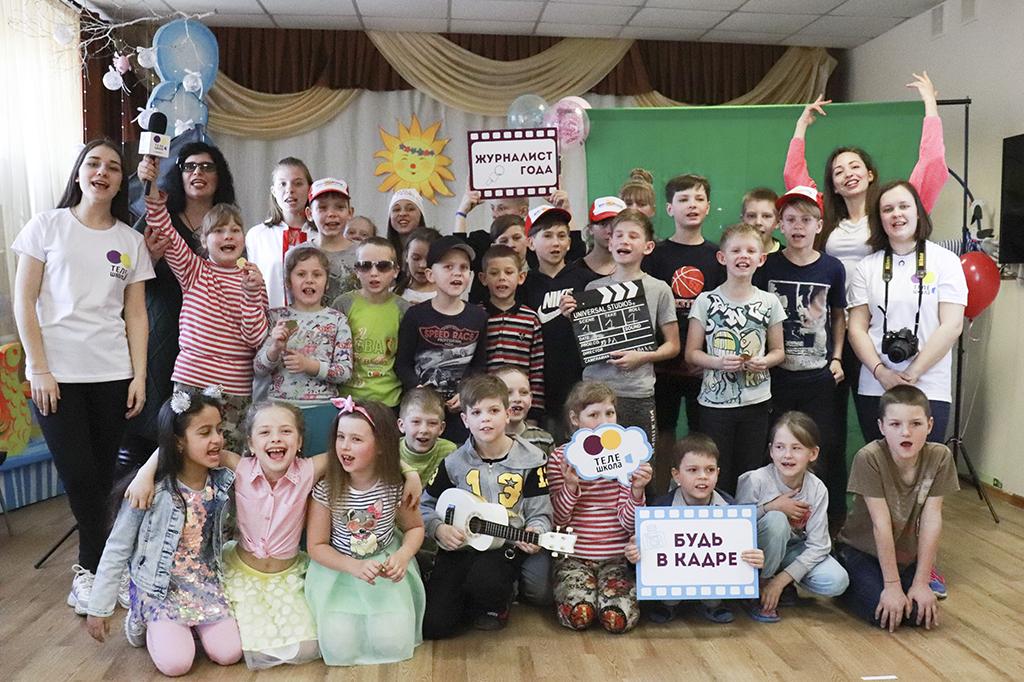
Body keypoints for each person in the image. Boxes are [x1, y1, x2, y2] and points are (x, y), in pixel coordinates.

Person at [13, 140, 154, 614]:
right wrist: (39, 368)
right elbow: (24, 301)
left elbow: (136, 315)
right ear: (78, 173)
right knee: (78, 477)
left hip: (113, 374)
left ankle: (98, 569)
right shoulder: (46, 226)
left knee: (101, 476)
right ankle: (95, 571)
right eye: (93, 163)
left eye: (113, 167)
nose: (102, 172)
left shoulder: (130, 241)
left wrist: (139, 375)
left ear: (120, 181)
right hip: (57, 377)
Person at [126, 399, 327, 669]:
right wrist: (145, 472)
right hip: (243, 572)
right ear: (251, 444)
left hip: (287, 575)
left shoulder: (308, 470)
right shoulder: (240, 467)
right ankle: (162, 625)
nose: (276, 438)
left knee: (305, 644)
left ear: (299, 441)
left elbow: (348, 451)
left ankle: (189, 630)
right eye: (265, 432)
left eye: (286, 431)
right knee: (241, 642)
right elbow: (184, 446)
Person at [84, 392, 242, 676]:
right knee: (176, 664)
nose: (217, 439)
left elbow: (257, 473)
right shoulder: (150, 490)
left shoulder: (221, 481)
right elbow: (117, 547)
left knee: (229, 653)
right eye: (204, 432)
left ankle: (186, 630)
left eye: (219, 430)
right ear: (178, 441)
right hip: (161, 590)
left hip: (204, 585)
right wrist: (99, 607)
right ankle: (143, 619)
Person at [138, 156, 269, 452]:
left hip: (236, 388)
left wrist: (251, 294)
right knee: (186, 454)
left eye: (234, 230)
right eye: (218, 231)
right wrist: (152, 189)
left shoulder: (253, 279)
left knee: (228, 458)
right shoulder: (194, 269)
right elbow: (164, 228)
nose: (228, 236)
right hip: (192, 380)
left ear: (243, 238)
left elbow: (256, 339)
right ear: (204, 239)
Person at [123, 140, 237, 468]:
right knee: (153, 420)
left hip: (210, 343)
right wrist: (150, 259)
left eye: (207, 166)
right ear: (179, 175)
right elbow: (122, 273)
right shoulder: (159, 220)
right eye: (189, 166)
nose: (198, 172)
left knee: (202, 427)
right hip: (160, 328)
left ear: (219, 176)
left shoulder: (229, 227)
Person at [419, 375, 552, 637]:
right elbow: (425, 506)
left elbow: (541, 513)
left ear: (507, 414)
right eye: (477, 412)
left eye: (493, 411)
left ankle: (497, 599)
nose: (485, 419)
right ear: (465, 419)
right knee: (434, 626)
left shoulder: (532, 460)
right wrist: (438, 529)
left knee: (486, 581)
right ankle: (468, 599)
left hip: (504, 546)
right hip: (461, 545)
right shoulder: (453, 462)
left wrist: (536, 530)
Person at [305, 397, 426, 665]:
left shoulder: (395, 485)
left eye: (356, 439)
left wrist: (403, 555)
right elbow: (316, 545)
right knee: (340, 647)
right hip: (339, 571)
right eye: (340, 437)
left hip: (384, 573)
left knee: (391, 642)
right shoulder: (327, 488)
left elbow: (415, 527)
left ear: (381, 445)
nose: (345, 446)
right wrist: (353, 566)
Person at [754, 187, 848, 527]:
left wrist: (837, 358)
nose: (798, 226)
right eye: (791, 219)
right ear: (780, 225)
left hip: (817, 378)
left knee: (821, 447)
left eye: (806, 220)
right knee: (775, 447)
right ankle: (775, 520)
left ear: (819, 226)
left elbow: (838, 316)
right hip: (776, 377)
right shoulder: (766, 266)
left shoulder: (833, 268)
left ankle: (822, 525)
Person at [846, 181, 967, 445]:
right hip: (877, 384)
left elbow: (952, 325)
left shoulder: (945, 261)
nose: (896, 214)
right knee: (879, 463)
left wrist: (913, 372)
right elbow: (856, 328)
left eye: (904, 206)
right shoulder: (867, 267)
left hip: (929, 384)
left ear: (918, 212)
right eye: (888, 209)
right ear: (879, 219)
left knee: (925, 464)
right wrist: (881, 372)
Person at [835, 385, 959, 631]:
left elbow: (932, 519)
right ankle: (847, 576)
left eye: (916, 424)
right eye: (895, 424)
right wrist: (892, 586)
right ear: (881, 427)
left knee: (917, 614)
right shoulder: (869, 457)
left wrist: (921, 582)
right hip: (862, 551)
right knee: (883, 612)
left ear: (930, 425)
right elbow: (881, 525)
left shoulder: (940, 457)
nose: (906, 432)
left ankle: (915, 579)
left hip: (905, 555)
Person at [562, 210, 679, 447]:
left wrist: (643, 357)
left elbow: (673, 345)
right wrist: (570, 315)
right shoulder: (592, 288)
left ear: (648, 247)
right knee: (595, 458)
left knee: (641, 459)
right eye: (619, 235)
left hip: (636, 391)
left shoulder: (659, 289)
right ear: (610, 242)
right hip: (594, 391)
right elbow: (588, 339)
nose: (624, 240)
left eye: (633, 236)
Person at [685, 223, 786, 495]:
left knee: (750, 472)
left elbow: (779, 352)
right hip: (714, 404)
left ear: (761, 259)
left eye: (751, 251)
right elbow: (691, 353)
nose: (743, 256)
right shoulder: (706, 301)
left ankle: (747, 518)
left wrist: (764, 361)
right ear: (722, 257)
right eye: (736, 250)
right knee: (717, 471)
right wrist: (718, 363)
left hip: (756, 402)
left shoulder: (770, 302)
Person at [642, 174, 726, 492]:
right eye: (683, 199)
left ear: (708, 207)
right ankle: (659, 495)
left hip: (702, 367)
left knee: (701, 436)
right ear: (669, 208)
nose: (692, 205)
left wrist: (708, 357)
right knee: (661, 434)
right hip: (661, 366)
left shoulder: (718, 256)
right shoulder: (655, 256)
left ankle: (698, 494)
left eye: (698, 199)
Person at [628, 433, 765, 624]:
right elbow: (649, 554)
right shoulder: (659, 509)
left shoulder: (732, 510)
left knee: (713, 559)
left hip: (714, 582)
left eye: (710, 470)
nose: (703, 476)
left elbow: (739, 554)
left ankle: (713, 603)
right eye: (693, 470)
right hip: (671, 581)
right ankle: (667, 603)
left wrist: (755, 559)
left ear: (718, 473)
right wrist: (636, 553)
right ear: (676, 475)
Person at [546, 381, 649, 633]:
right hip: (574, 556)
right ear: (575, 419)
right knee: (579, 614)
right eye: (593, 415)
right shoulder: (560, 458)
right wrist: (570, 486)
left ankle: (607, 601)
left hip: (616, 558)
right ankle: (584, 599)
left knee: (617, 618)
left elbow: (629, 522)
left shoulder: (628, 456)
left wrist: (637, 490)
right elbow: (558, 520)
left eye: (609, 413)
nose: (604, 422)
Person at [736, 411, 850, 623]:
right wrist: (771, 507)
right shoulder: (756, 480)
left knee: (837, 581)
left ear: (813, 453)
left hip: (793, 549)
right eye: (780, 447)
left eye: (796, 448)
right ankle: (758, 586)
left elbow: (819, 546)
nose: (787, 455)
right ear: (771, 451)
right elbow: (736, 525)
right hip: (758, 552)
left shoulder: (817, 488)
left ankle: (780, 583)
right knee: (776, 519)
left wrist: (781, 580)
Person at [396, 236, 488, 443]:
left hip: (459, 411)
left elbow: (479, 366)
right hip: (422, 411)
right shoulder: (415, 315)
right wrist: (417, 388)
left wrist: (465, 393)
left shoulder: (478, 316)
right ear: (430, 274)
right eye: (448, 267)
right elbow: (402, 364)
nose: (457, 273)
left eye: (464, 268)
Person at [520, 205, 600, 440]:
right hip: (539, 384)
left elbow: (602, 333)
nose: (555, 243)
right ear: (530, 243)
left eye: (561, 235)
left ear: (569, 242)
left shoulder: (587, 280)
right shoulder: (524, 284)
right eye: (547, 235)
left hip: (580, 379)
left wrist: (580, 317)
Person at [253, 247, 353, 403]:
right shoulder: (275, 317)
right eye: (301, 274)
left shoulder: (338, 320)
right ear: (288, 282)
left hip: (321, 405)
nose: (309, 280)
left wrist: (309, 366)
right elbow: (259, 369)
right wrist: (275, 348)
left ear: (327, 283)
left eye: (317, 274)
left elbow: (345, 372)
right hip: (279, 405)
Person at [334, 237, 409, 409]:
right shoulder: (343, 304)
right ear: (356, 270)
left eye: (383, 266)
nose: (374, 273)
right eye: (365, 266)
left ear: (395, 271)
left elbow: (406, 359)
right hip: (348, 400)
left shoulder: (403, 309)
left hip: (389, 401)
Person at [480, 245, 545, 421]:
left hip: (520, 404)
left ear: (521, 277)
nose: (502, 278)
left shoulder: (530, 319)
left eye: (509, 272)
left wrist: (535, 411)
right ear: (483, 278)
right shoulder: (477, 316)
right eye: (494, 273)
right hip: (485, 405)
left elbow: (537, 368)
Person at [245, 157, 315, 308]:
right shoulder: (257, 236)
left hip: (317, 319)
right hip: (269, 318)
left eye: (298, 183)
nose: (290, 190)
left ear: (310, 189)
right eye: (283, 184)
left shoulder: (320, 234)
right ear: (273, 191)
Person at [298, 178, 358, 304]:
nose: (331, 214)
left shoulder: (362, 254)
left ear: (350, 212)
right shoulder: (297, 255)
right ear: (309, 214)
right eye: (322, 208)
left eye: (340, 207)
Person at [397, 386, 457, 484]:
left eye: (432, 423)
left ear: (441, 428)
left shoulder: (450, 451)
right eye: (416, 422)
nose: (424, 430)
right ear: (401, 425)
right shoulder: (391, 452)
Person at [493, 366, 554, 457]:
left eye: (524, 392)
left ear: (531, 399)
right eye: (508, 393)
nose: (517, 399)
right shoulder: (485, 438)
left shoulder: (543, 440)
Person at [570, 196, 624, 279]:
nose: (609, 231)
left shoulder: (634, 268)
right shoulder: (574, 272)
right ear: (590, 228)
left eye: (616, 224)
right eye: (603, 224)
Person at [394, 226, 441, 304]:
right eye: (416, 258)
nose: (423, 265)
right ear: (406, 256)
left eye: (429, 259)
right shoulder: (393, 293)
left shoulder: (447, 295)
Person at [385, 188, 428, 267]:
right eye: (396, 209)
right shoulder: (382, 252)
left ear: (421, 215)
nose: (402, 213)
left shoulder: (433, 248)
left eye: (410, 209)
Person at [741, 187, 781, 254]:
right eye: (752, 216)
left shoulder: (788, 257)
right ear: (743, 220)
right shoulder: (729, 256)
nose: (758, 222)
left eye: (766, 216)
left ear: (778, 222)